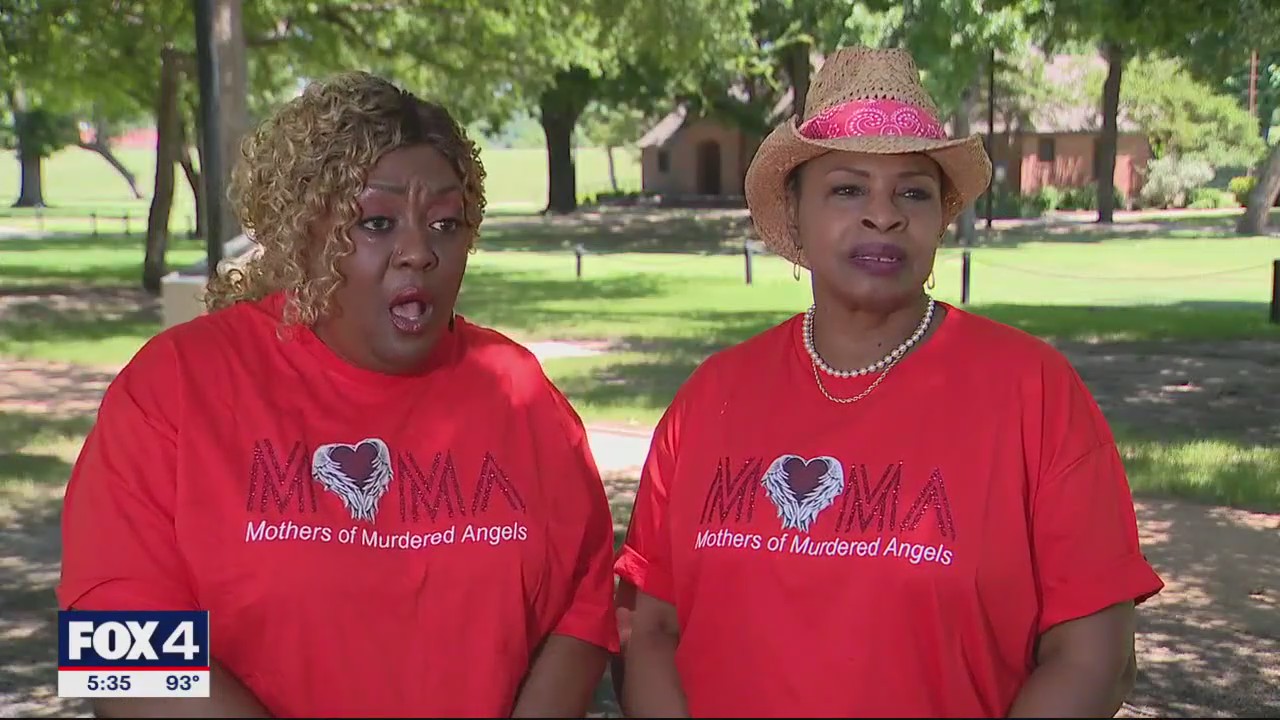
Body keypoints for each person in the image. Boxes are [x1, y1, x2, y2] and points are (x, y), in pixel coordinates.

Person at [613, 46, 1165, 718]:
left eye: (912, 190)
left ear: (940, 215)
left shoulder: (1033, 393)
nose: (884, 215)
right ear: (794, 213)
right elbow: (651, 631)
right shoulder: (712, 400)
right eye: (848, 188)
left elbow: (1093, 657)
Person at [57, 71, 618, 718]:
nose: (419, 252)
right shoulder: (179, 386)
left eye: (445, 223)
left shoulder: (517, 394)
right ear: (302, 233)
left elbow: (583, 610)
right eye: (377, 222)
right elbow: (119, 653)